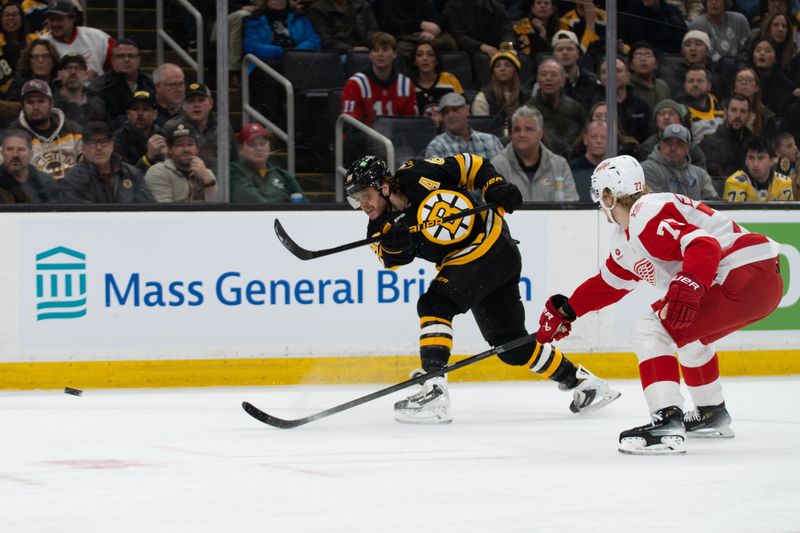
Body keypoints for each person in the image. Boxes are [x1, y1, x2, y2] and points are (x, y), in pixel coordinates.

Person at [535, 154, 783, 454]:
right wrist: (568, 311)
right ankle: (710, 413)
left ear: (610, 196)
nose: (599, 204)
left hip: (740, 272)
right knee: (687, 335)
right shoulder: (628, 235)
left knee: (650, 330)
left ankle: (666, 422)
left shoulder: (646, 213)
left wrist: (690, 282)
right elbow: (609, 284)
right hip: (760, 280)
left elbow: (703, 245)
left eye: (599, 195)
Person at [344, 153, 619, 423]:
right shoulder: (379, 228)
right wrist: (397, 246)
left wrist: (495, 185)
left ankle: (434, 385)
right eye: (357, 199)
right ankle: (584, 383)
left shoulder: (418, 172)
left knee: (435, 304)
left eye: (365, 195)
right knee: (512, 346)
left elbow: (472, 165)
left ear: (385, 186)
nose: (363, 205)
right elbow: (390, 259)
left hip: (494, 244)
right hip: (481, 263)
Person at [491, 105, 579, 201]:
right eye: (517, 129)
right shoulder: (497, 166)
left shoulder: (559, 165)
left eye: (528, 129)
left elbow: (571, 203)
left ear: (540, 134)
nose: (522, 134)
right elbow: (491, 207)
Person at [59, 121, 154, 204]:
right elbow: (83, 218)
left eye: (104, 142)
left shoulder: (132, 173)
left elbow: (149, 209)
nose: (99, 148)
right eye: (93, 143)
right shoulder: (74, 180)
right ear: (83, 148)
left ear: (112, 145)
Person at [10, 78, 82, 180]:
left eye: (41, 101)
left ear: (51, 103)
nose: (36, 107)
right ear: (22, 106)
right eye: (30, 102)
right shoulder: (13, 137)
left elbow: (88, 165)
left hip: (74, 190)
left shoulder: (73, 130)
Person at [340, 32, 417, 127]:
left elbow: (411, 125)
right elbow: (350, 125)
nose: (380, 54)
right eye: (375, 50)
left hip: (396, 140)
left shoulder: (406, 85)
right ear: (370, 55)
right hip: (364, 140)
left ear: (394, 54)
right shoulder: (355, 84)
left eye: (385, 50)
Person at [163, 82, 237, 174]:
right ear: (184, 105)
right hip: (184, 182)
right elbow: (164, 162)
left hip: (218, 183)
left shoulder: (224, 127)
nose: (196, 105)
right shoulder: (172, 127)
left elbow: (234, 161)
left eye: (201, 100)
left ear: (210, 103)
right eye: (190, 101)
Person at [230, 122, 307, 203]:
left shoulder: (283, 175)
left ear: (269, 146)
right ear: (241, 149)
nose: (258, 148)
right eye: (252, 144)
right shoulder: (234, 171)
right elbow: (251, 200)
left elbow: (305, 206)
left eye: (262, 143)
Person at [144, 121, 218, 203]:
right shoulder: (158, 172)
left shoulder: (206, 173)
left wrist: (208, 182)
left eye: (190, 144)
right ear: (170, 150)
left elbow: (218, 210)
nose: (186, 149)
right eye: (179, 145)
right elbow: (164, 211)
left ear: (197, 149)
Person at [642, 123, 719, 199]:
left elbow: (714, 204)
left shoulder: (700, 174)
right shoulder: (647, 169)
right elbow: (655, 204)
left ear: (688, 148)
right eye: (668, 143)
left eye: (680, 144)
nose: (673, 148)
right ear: (660, 144)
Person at [40, 1, 115, 78]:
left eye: (59, 19)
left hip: (96, 89)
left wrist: (99, 79)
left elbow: (120, 69)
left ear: (73, 18)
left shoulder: (98, 38)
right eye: (51, 20)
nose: (54, 24)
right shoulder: (41, 44)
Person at [525, 58, 586, 152]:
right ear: (538, 79)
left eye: (554, 74)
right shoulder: (528, 110)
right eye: (544, 74)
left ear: (563, 81)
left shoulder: (576, 108)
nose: (548, 78)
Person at [91, 38, 155, 123]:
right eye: (120, 56)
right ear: (113, 60)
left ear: (139, 60)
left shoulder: (152, 83)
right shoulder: (99, 87)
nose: (126, 60)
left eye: (131, 56)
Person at [424, 92, 503, 160]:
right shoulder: (436, 147)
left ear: (467, 110)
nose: (450, 115)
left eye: (455, 110)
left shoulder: (491, 141)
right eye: (445, 112)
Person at [637, 99, 707, 169]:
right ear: (656, 122)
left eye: (671, 113)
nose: (666, 117)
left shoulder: (692, 149)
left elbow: (701, 175)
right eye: (661, 114)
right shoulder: (647, 148)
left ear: (680, 120)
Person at [243, 0, 321, 62]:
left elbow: (314, 40)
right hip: (266, 63)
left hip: (299, 58)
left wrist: (295, 52)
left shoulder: (298, 16)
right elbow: (252, 47)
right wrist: (281, 53)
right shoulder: (255, 19)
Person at [472, 49, 528, 134]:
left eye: (507, 65)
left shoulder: (525, 96)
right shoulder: (483, 97)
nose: (502, 69)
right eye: (497, 66)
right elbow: (481, 131)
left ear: (515, 70)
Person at [372, 0, 455, 58]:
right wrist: (420, 25)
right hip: (403, 36)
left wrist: (435, 27)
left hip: (427, 34)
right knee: (403, 48)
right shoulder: (382, 2)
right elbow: (391, 25)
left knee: (449, 41)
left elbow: (436, 15)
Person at [598, 57, 653, 143]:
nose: (612, 75)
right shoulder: (594, 106)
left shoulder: (642, 106)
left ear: (628, 76)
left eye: (618, 71)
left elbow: (650, 136)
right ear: (600, 79)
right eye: (605, 72)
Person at [700, 93, 753, 180]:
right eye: (733, 110)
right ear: (725, 113)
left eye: (743, 111)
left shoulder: (754, 145)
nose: (738, 116)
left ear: (749, 115)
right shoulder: (709, 144)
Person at [723, 137, 794, 201]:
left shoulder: (784, 183)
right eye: (751, 158)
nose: (755, 164)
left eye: (760, 158)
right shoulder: (734, 183)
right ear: (746, 160)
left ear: (772, 160)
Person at [547, 30, 602, 113]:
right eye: (560, 49)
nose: (565, 53)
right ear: (553, 55)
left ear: (578, 53)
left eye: (569, 49)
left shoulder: (593, 81)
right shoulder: (547, 83)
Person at [113, 90, 166, 172]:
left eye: (146, 109)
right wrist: (148, 158)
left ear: (155, 114)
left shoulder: (163, 136)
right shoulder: (118, 139)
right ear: (128, 114)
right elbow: (125, 177)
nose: (140, 113)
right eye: (135, 109)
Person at [0, 129, 59, 203]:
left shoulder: (46, 182)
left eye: (21, 149)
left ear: (31, 154)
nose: (15, 155)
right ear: (2, 153)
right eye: (10, 149)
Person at [442, 0, 514, 57]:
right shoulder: (453, 7)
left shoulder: (496, 6)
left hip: (494, 57)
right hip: (467, 56)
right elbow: (459, 36)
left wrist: (506, 47)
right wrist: (481, 46)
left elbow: (507, 31)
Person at [52, 52, 109, 125]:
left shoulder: (97, 103)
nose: (73, 72)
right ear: (59, 74)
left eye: (78, 68)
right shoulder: (52, 105)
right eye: (68, 68)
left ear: (85, 74)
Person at [407, 41, 463, 115]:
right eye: (419, 55)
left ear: (437, 60)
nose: (425, 58)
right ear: (414, 61)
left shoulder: (449, 79)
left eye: (430, 55)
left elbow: (463, 110)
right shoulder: (408, 85)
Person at [306, 0, 379, 54]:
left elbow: (373, 30)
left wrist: (371, 46)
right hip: (338, 54)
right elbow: (325, 39)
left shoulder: (363, 5)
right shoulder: (317, 10)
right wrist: (351, 49)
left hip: (366, 50)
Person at [676, 64, 724, 145]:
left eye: (700, 81)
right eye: (691, 81)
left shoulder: (720, 106)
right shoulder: (679, 113)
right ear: (684, 86)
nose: (695, 84)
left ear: (709, 86)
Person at [569, 119, 607, 201]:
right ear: (585, 139)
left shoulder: (615, 168)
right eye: (594, 136)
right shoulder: (572, 169)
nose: (599, 141)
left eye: (603, 137)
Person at [629, 41, 672, 111]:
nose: (643, 59)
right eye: (638, 56)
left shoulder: (662, 86)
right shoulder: (627, 87)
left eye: (648, 55)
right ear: (631, 65)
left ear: (656, 64)